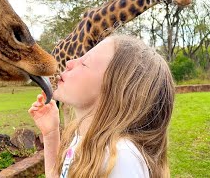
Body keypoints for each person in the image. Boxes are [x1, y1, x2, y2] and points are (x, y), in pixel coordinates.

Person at [29, 35, 175, 178]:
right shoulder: (82, 139)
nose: (69, 62)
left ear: (115, 89)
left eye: (85, 62)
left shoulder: (120, 158)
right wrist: (50, 134)